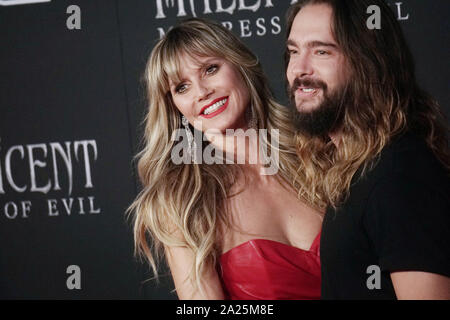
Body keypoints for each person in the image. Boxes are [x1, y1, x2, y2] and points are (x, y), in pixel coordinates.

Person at [127, 18, 323, 300]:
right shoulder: (184, 199)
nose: (202, 92)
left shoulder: (315, 152)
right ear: (174, 107)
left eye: (210, 69)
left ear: (239, 64)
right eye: (181, 87)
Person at [285, 0, 450, 299]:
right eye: (294, 51)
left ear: (368, 62)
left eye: (321, 51)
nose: (299, 69)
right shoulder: (356, 169)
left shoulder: (399, 175)